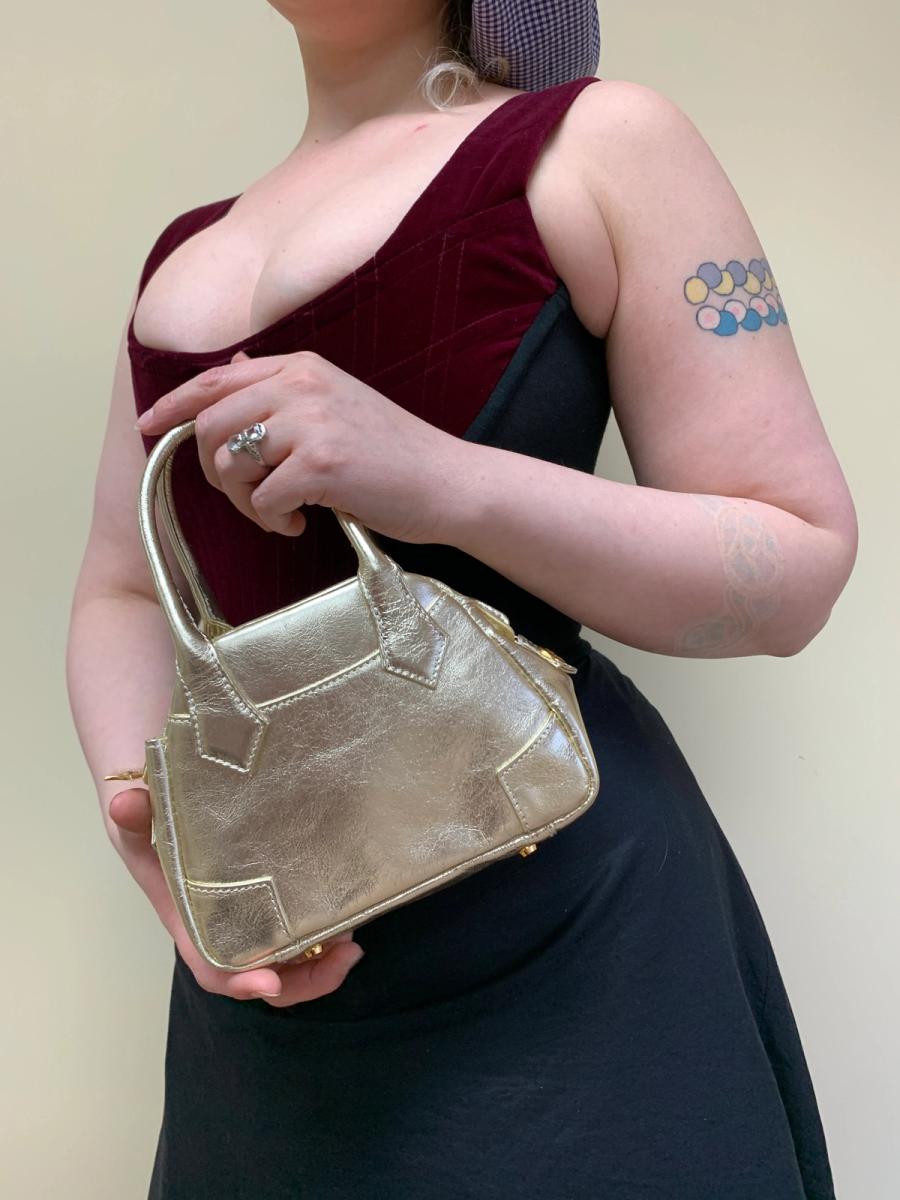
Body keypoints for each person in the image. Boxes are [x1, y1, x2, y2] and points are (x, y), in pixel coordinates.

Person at [67, 2, 857, 1196]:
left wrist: (437, 478)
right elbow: (126, 590)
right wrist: (165, 845)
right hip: (273, 978)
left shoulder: (603, 145)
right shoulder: (181, 256)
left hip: (572, 961)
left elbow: (794, 568)